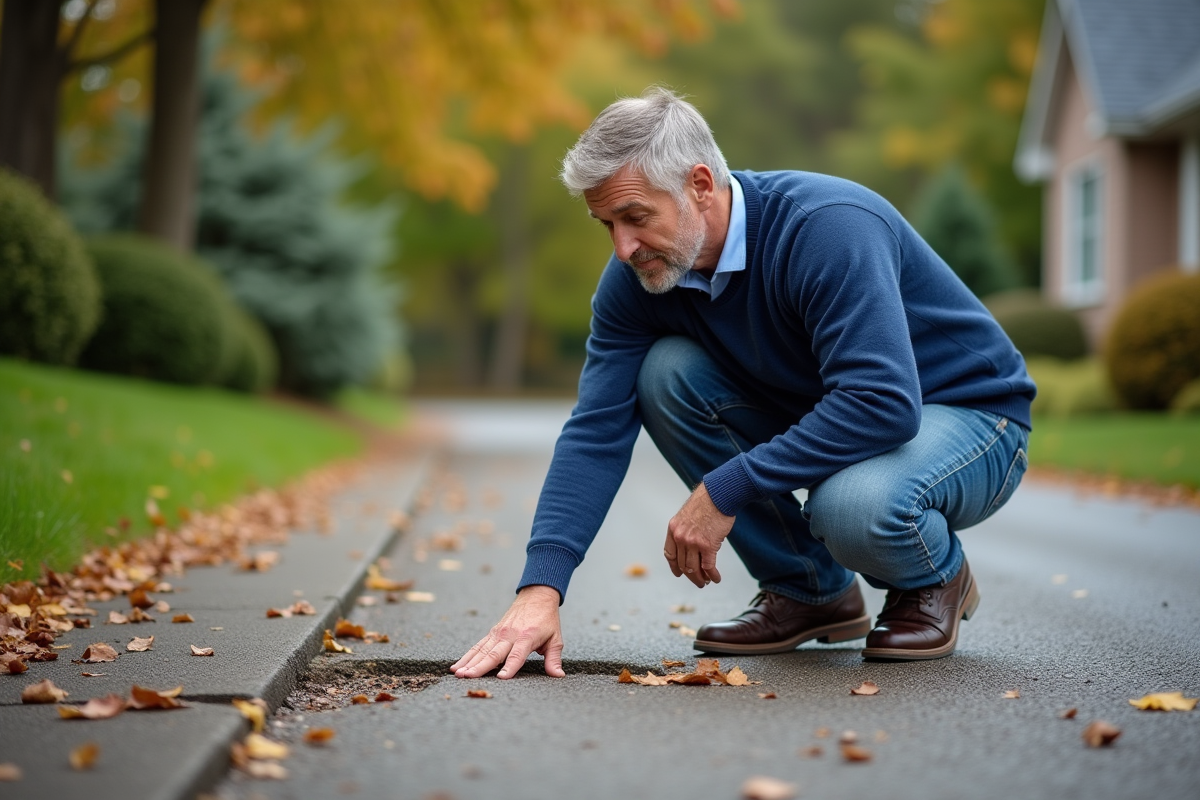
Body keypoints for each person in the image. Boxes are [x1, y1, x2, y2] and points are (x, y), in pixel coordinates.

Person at [450, 87, 1035, 681]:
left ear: (700, 185)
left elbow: (881, 404)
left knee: (852, 507)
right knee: (666, 372)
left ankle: (933, 580)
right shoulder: (637, 278)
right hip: (842, 408)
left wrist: (726, 487)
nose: (622, 247)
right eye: (606, 223)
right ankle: (809, 591)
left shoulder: (825, 229)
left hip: (972, 416)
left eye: (636, 217)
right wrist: (541, 588)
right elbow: (596, 428)